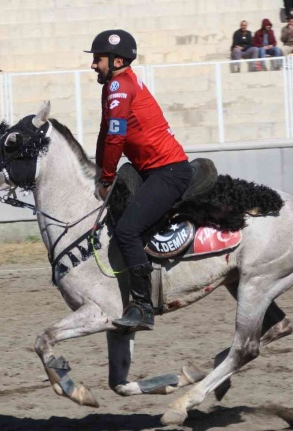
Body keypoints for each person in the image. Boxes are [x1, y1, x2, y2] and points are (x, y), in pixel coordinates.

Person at [86, 30, 191, 332]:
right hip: (151, 169)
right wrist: (98, 172)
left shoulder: (119, 85)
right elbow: (105, 134)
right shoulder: (114, 86)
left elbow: (115, 137)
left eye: (98, 59)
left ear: (117, 60)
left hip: (168, 171)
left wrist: (106, 177)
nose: (94, 65)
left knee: (128, 230)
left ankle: (143, 307)